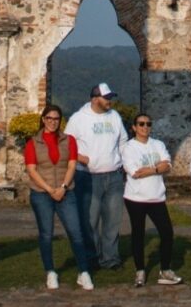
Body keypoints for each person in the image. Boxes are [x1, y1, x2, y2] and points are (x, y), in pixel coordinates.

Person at [23, 103, 94, 291]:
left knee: (75, 231)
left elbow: (71, 165)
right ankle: (51, 271)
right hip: (41, 193)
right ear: (43, 119)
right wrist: (49, 189)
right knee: (46, 234)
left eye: (56, 119)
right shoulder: (33, 142)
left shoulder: (69, 140)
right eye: (49, 118)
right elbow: (31, 170)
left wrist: (62, 187)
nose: (53, 122)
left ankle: (83, 271)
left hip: (66, 191)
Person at [66, 82, 129, 271]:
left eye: (110, 97)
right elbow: (67, 144)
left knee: (113, 220)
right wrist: (79, 157)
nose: (110, 101)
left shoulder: (115, 116)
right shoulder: (78, 119)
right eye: (106, 98)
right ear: (94, 99)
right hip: (88, 176)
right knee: (90, 221)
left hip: (114, 175)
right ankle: (91, 258)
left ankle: (110, 258)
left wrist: (125, 164)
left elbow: (123, 141)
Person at [122, 112, 183, 286]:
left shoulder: (158, 144)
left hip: (156, 196)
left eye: (148, 124)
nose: (145, 127)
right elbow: (134, 171)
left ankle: (165, 270)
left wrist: (151, 170)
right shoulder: (129, 147)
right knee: (138, 234)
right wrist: (157, 167)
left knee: (167, 233)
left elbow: (168, 165)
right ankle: (140, 271)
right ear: (134, 127)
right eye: (141, 124)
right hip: (136, 198)